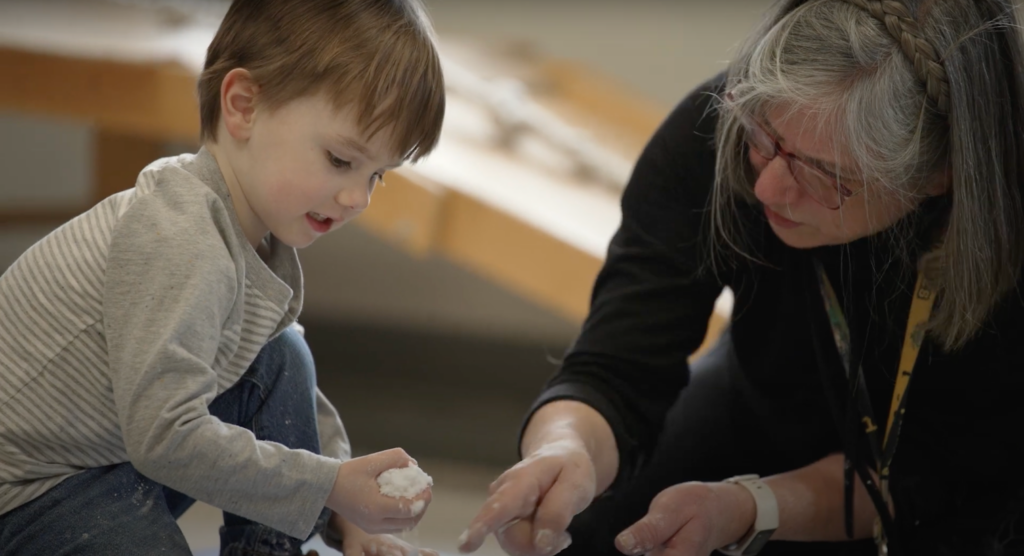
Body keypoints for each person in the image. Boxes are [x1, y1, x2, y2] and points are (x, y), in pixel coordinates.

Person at [457, 1, 1024, 555]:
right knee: (595, 523)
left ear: (938, 177)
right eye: (765, 139)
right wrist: (564, 450)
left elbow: (938, 474)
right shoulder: (716, 128)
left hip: (955, 487)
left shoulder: (1005, 227)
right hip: (761, 400)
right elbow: (618, 367)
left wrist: (753, 506)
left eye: (823, 174)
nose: (768, 189)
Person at [0, 1, 445, 554]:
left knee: (281, 355)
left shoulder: (251, 232)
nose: (358, 198)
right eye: (338, 159)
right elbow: (165, 436)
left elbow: (283, 388)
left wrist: (336, 500)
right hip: (29, 488)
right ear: (243, 106)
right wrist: (327, 486)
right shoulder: (181, 234)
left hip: (111, 451)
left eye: (377, 174)